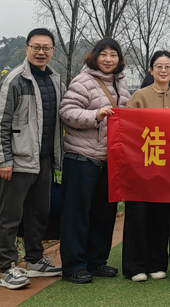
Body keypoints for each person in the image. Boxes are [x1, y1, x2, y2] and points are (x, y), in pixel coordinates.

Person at [0, 28, 64, 289]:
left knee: (38, 213)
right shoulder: (15, 80)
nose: (41, 52)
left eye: (46, 48)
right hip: (18, 161)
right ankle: (7, 267)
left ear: (52, 51)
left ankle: (34, 259)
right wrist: (4, 160)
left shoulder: (55, 80)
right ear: (27, 49)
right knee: (10, 216)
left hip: (43, 160)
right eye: (36, 47)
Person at [59, 38, 130, 284]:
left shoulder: (121, 84)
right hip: (82, 158)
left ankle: (96, 261)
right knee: (77, 215)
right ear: (94, 57)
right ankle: (73, 266)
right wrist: (95, 116)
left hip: (109, 161)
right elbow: (67, 112)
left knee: (104, 214)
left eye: (113, 55)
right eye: (104, 54)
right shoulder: (83, 81)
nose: (108, 59)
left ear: (119, 59)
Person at [122, 50, 170, 282]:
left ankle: (157, 263)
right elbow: (127, 131)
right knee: (138, 215)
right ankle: (135, 266)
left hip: (168, 170)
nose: (163, 70)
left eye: (168, 66)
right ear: (151, 70)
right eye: (159, 66)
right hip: (141, 166)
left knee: (161, 217)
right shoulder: (139, 96)